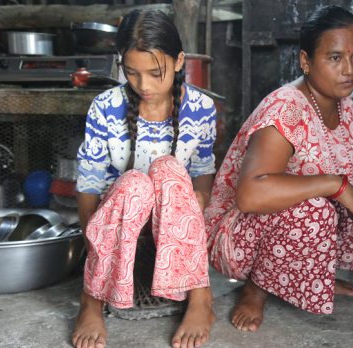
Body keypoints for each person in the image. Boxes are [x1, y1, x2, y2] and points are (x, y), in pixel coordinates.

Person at [204, 5, 353, 332]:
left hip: (291, 220)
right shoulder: (286, 109)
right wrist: (334, 186)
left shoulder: (343, 102)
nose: (349, 69)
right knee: (316, 209)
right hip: (235, 236)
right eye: (335, 57)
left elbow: (341, 176)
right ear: (306, 61)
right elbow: (250, 196)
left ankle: (315, 272)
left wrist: (339, 186)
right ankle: (255, 289)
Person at [71, 9, 216, 348]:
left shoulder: (202, 108)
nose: (144, 85)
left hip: (175, 222)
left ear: (179, 61)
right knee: (135, 182)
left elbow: (203, 170)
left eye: (155, 73)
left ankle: (200, 298)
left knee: (167, 169)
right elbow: (90, 181)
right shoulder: (105, 106)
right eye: (132, 72)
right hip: (121, 220)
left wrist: (197, 203)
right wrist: (92, 240)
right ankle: (91, 301)